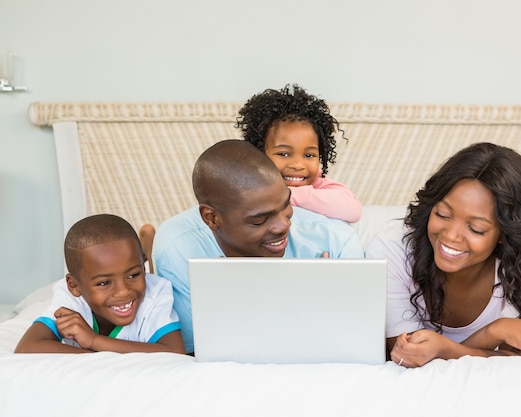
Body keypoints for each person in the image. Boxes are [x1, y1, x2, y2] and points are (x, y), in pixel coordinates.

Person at [365, 142, 521, 368]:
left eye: (476, 229)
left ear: (505, 234)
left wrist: (446, 348)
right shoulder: (391, 249)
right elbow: (408, 355)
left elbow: (519, 359)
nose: (452, 236)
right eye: (443, 214)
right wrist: (495, 332)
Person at [153, 139, 364, 354]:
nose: (283, 226)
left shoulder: (335, 241)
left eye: (286, 206)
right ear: (212, 218)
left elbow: (359, 343)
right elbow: (199, 351)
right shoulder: (177, 247)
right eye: (260, 220)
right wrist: (312, 306)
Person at [14, 214, 185, 354]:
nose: (123, 292)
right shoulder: (68, 299)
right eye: (104, 282)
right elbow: (27, 348)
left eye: (133, 275)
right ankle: (145, 246)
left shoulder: (156, 291)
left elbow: (175, 353)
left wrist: (94, 341)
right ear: (74, 286)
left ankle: (147, 248)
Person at [236, 84, 362, 223]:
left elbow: (352, 210)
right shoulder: (249, 186)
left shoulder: (318, 184)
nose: (297, 165)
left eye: (309, 155)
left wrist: (286, 195)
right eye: (283, 154)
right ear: (259, 154)